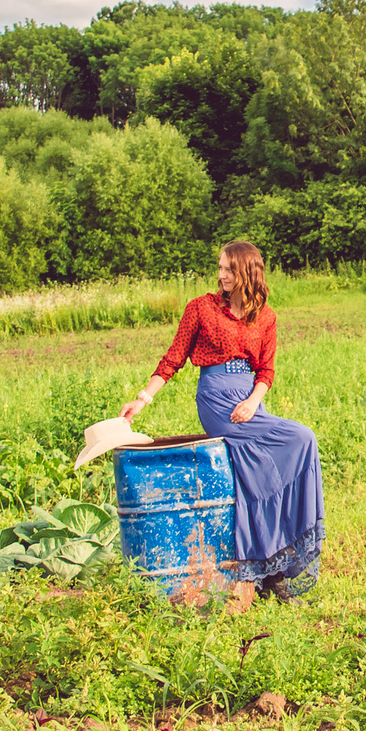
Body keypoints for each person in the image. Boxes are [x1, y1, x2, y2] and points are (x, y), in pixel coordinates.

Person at [123, 241, 323, 599]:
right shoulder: (200, 308)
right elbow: (173, 358)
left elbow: (266, 370)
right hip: (217, 400)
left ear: (247, 272)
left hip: (249, 401)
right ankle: (269, 571)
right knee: (264, 465)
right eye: (219, 268)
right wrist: (143, 398)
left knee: (299, 441)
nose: (221, 275)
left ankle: (270, 567)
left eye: (229, 269)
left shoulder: (266, 317)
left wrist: (252, 402)